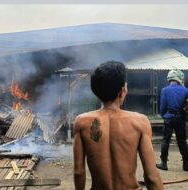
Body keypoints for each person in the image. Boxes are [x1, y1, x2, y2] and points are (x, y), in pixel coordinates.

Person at [73, 61, 163, 190]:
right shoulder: (140, 121)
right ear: (123, 90)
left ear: (95, 91)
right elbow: (151, 177)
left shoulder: (81, 121)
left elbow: (79, 172)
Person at [156, 69, 188, 171]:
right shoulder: (186, 90)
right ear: (179, 78)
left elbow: (162, 107)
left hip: (169, 118)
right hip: (181, 119)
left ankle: (164, 163)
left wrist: (164, 116)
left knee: (166, 140)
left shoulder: (165, 90)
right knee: (182, 141)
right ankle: (186, 164)